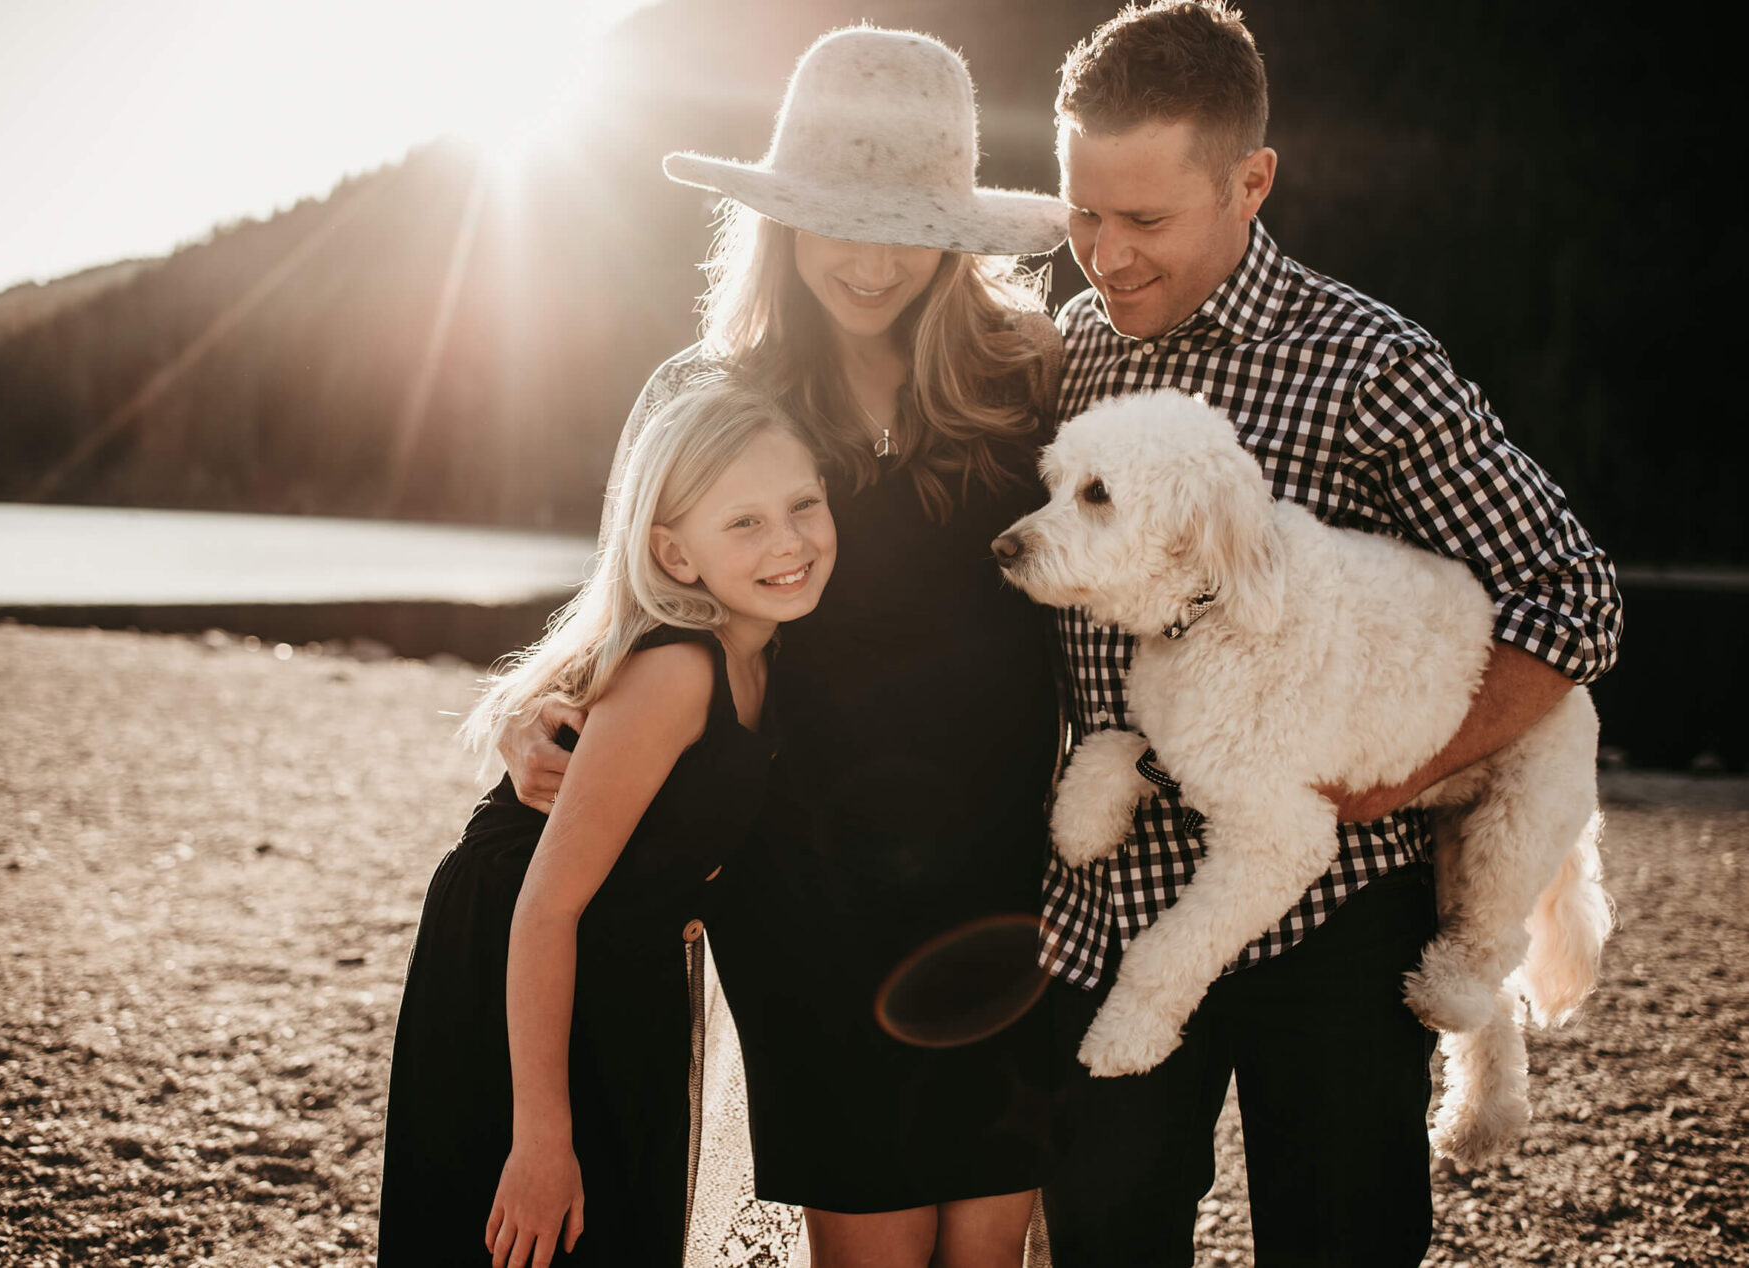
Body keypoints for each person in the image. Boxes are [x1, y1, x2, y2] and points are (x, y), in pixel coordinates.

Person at [1035, 4, 1624, 1266]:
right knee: (1101, 1244)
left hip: (1334, 918)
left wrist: (1399, 773)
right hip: (1114, 900)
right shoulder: (1069, 349)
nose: (1105, 255)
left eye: (1144, 219)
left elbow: (1572, 594)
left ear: (1249, 182)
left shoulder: (1368, 365)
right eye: (1082, 212)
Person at [503, 27, 1071, 1268]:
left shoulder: (1029, 378)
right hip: (808, 903)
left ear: (955, 229)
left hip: (1006, 889)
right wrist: (534, 708)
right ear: (780, 219)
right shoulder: (723, 390)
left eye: (906, 226)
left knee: (989, 1245)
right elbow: (636, 598)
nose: (870, 261)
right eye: (836, 221)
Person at [379, 378, 838, 1268]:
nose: (788, 541)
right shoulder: (680, 671)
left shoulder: (769, 652)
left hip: (619, 970)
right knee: (528, 1223)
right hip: (517, 966)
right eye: (744, 522)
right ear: (674, 555)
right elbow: (546, 907)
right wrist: (540, 1141)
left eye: (803, 505)